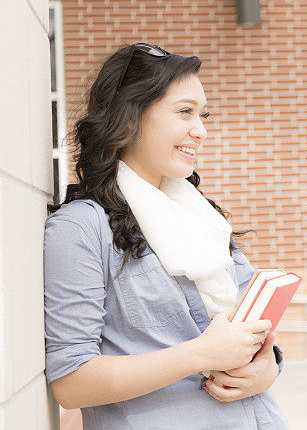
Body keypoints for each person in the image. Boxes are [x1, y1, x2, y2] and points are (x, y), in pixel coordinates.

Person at [43, 43, 288, 429]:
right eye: (185, 111)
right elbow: (72, 383)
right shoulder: (82, 228)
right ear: (131, 116)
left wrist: (268, 368)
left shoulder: (204, 218)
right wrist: (200, 355)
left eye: (204, 114)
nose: (201, 130)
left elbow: (253, 337)